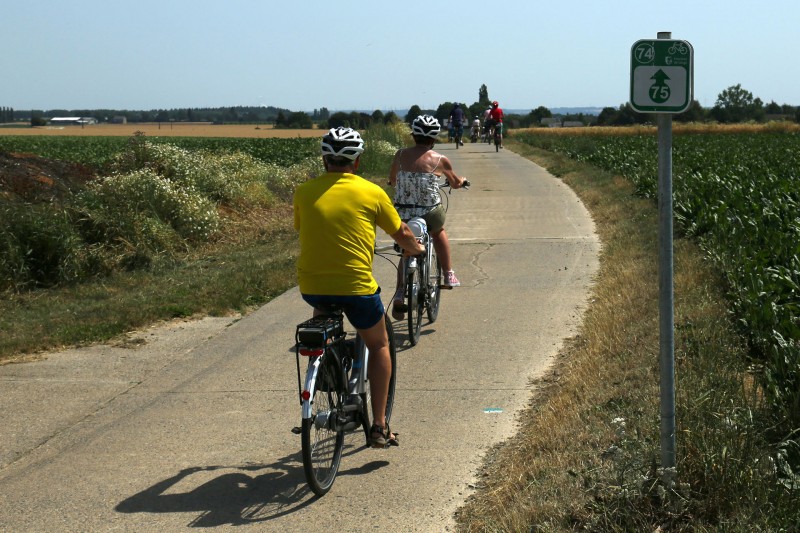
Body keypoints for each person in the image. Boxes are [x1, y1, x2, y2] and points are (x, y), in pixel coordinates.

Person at [293, 127, 424, 448]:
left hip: (312, 286)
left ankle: (325, 367)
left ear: (325, 160)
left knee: (324, 318)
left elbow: (303, 226)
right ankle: (379, 425)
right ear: (357, 161)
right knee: (379, 345)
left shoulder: (304, 192)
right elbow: (402, 231)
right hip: (356, 287)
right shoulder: (371, 192)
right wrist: (416, 249)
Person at [388, 115, 468, 319]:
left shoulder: (399, 156)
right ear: (433, 139)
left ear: (413, 135)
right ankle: (449, 274)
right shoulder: (440, 160)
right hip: (428, 212)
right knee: (439, 231)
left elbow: (392, 179)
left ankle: (399, 293)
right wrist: (462, 181)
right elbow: (456, 183)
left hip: (403, 213)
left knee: (407, 250)